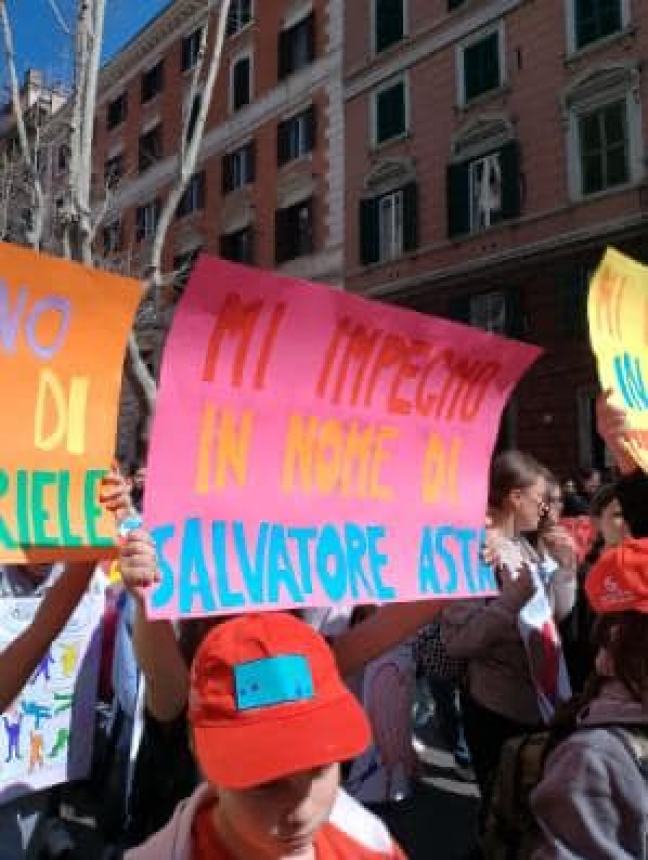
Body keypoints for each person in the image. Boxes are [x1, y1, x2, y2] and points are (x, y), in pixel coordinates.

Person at [126, 612, 406, 859]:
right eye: (266, 783)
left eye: (320, 769)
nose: (302, 813)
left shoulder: (370, 846)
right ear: (199, 753)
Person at [439, 451, 576, 820]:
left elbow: (552, 617)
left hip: (540, 700)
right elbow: (459, 640)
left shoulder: (522, 543)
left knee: (533, 809)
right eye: (540, 499)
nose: (545, 509)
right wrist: (510, 602)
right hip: (496, 708)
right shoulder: (473, 551)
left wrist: (565, 571)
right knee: (501, 813)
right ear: (515, 498)